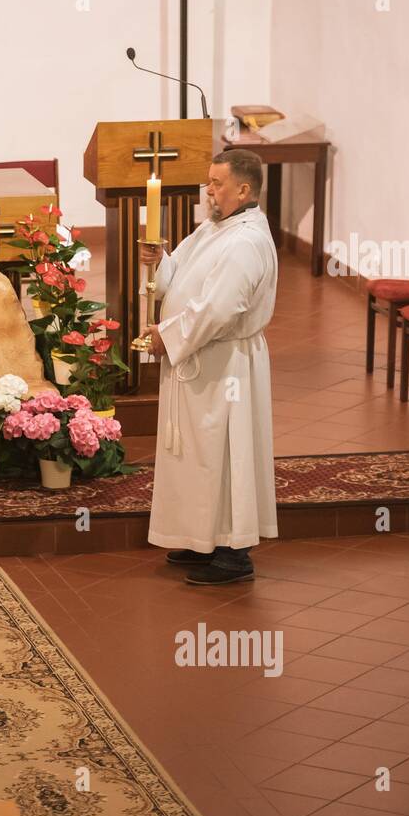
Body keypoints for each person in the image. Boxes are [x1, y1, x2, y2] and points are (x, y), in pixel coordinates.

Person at [139, 149, 279, 584]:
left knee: (228, 454)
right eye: (208, 182)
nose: (208, 191)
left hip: (226, 366)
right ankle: (205, 538)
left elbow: (220, 309)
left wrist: (168, 336)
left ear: (244, 189)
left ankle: (235, 552)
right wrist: (159, 260)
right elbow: (177, 277)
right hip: (203, 360)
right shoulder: (215, 228)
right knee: (201, 456)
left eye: (217, 184)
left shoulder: (246, 241)